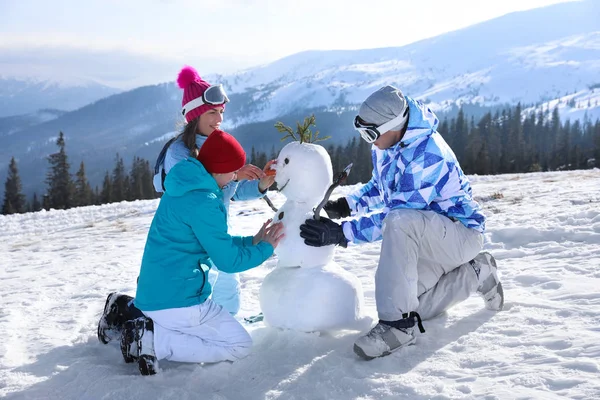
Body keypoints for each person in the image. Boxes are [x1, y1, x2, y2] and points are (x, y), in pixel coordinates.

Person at [299, 85, 504, 360]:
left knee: (399, 224)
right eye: (362, 132)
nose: (368, 141)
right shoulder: (389, 143)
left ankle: (396, 328)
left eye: (371, 134)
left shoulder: (428, 156)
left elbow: (396, 216)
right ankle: (478, 271)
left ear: (393, 125)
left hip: (459, 235)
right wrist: (349, 204)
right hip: (430, 236)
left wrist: (342, 233)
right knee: (412, 304)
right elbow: (381, 186)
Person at [97, 66, 275, 345]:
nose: (219, 119)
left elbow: (232, 193)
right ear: (195, 116)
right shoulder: (180, 154)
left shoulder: (217, 144)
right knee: (186, 294)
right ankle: (128, 315)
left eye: (221, 112)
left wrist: (262, 184)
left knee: (224, 285)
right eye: (212, 112)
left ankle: (222, 326)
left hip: (213, 230)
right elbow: (200, 194)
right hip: (192, 236)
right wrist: (233, 175)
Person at [121, 129, 284, 375]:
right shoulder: (205, 202)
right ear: (218, 170)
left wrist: (252, 241)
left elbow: (216, 242)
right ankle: (155, 342)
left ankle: (152, 330)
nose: (234, 177)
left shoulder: (182, 185)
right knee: (240, 345)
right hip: (180, 302)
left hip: (153, 295)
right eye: (233, 171)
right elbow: (227, 261)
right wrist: (266, 248)